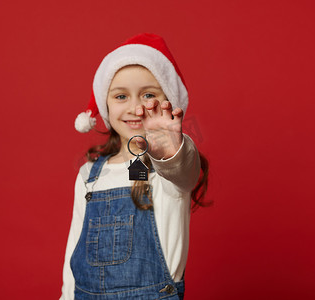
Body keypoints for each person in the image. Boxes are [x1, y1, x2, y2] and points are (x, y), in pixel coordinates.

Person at [60, 33, 210, 300]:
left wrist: (169, 151)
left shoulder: (168, 171)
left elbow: (183, 169)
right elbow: (74, 254)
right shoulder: (89, 174)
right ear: (104, 104)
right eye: (121, 96)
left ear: (168, 103)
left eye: (148, 95)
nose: (135, 108)